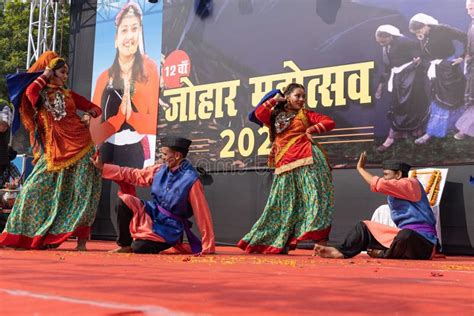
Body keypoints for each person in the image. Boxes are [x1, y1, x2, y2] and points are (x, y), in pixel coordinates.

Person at [0, 51, 102, 250]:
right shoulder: (40, 95)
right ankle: (19, 236)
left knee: (82, 194)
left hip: (82, 148)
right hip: (54, 152)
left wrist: (90, 115)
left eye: (66, 73)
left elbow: (95, 108)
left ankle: (81, 243)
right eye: (62, 72)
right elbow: (30, 93)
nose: (65, 76)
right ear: (51, 72)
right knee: (30, 191)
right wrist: (45, 75)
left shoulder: (69, 94)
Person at [238, 83, 335, 254]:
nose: (301, 100)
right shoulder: (275, 115)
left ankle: (321, 243)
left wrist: (311, 129)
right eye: (297, 96)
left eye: (303, 96)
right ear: (287, 97)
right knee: (283, 205)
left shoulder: (305, 114)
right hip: (285, 164)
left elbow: (329, 121)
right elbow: (260, 114)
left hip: (308, 160)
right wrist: (274, 100)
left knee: (316, 199)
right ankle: (279, 240)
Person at [91, 136, 215, 254]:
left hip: (170, 227)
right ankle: (125, 245)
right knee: (124, 201)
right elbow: (134, 174)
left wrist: (208, 245)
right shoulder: (159, 170)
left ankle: (159, 243)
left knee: (139, 247)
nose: (163, 157)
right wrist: (103, 168)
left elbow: (202, 213)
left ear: (177, 156)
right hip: (153, 213)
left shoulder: (191, 180)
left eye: (165, 154)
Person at [313, 153, 438, 260]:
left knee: (406, 235)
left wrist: (361, 169)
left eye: (386, 175)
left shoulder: (410, 183)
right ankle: (341, 251)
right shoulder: (395, 192)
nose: (384, 178)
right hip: (401, 238)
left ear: (398, 174)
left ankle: (383, 254)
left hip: (423, 242)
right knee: (364, 227)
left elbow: (380, 185)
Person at [90, 1, 159, 168]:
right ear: (116, 39)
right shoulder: (103, 78)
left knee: (130, 193)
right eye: (124, 30)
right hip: (107, 152)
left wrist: (132, 116)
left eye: (135, 29)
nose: (130, 36)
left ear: (140, 34)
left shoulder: (149, 70)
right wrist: (120, 117)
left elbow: (153, 123)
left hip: (135, 153)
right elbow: (94, 132)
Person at [408, 13, 468, 145]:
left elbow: (466, 37)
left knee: (452, 99)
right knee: (438, 99)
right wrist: (421, 59)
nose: (418, 34)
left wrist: (463, 56)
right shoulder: (423, 35)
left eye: (419, 30)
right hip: (436, 70)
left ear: (425, 25)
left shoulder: (442, 29)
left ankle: (463, 128)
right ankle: (433, 132)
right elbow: (428, 53)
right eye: (416, 32)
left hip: (449, 68)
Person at [373, 25, 429, 152]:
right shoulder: (386, 48)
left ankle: (406, 135)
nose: (381, 44)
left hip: (411, 77)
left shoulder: (403, 41)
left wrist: (417, 57)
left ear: (390, 36)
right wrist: (381, 86)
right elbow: (388, 68)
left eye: (383, 41)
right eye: (379, 42)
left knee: (410, 106)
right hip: (399, 79)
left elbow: (417, 49)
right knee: (398, 107)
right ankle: (397, 136)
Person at [454, 0, 474, 141]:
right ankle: (465, 129)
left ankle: (464, 129)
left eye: (471, 8)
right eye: (468, 9)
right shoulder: (472, 24)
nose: (469, 12)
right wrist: (465, 58)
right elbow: (469, 45)